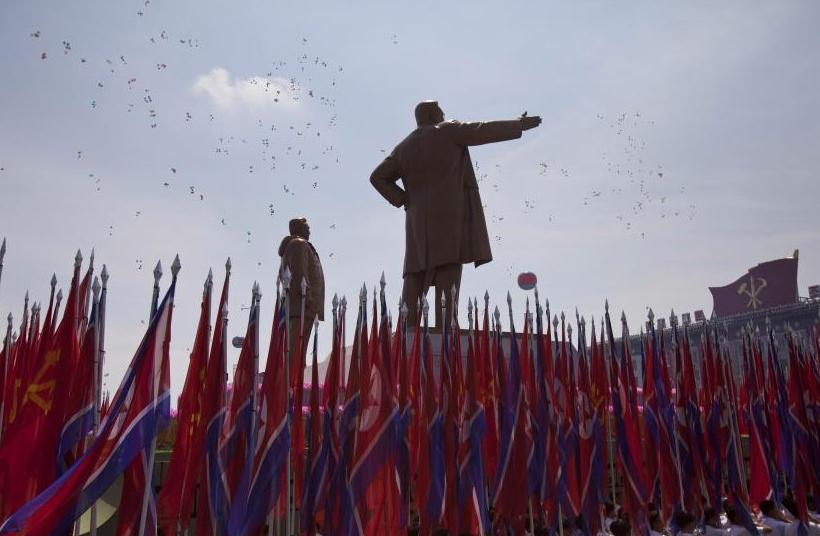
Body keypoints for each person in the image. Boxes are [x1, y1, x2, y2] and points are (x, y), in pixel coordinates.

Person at [370, 100, 542, 326]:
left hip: (416, 223)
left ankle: (406, 331)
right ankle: (445, 329)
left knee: (414, 275)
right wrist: (518, 124)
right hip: (448, 218)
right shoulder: (448, 130)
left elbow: (377, 177)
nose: (443, 114)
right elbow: (482, 129)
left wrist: (403, 199)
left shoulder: (403, 148)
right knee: (448, 269)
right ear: (433, 115)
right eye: (440, 111)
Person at [278, 217, 325, 370]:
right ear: (298, 228)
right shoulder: (298, 244)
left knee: (299, 351)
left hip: (303, 307)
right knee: (295, 352)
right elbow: (300, 274)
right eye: (306, 227)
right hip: (302, 306)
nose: (309, 230)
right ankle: (291, 385)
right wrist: (309, 299)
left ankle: (294, 381)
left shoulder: (299, 244)